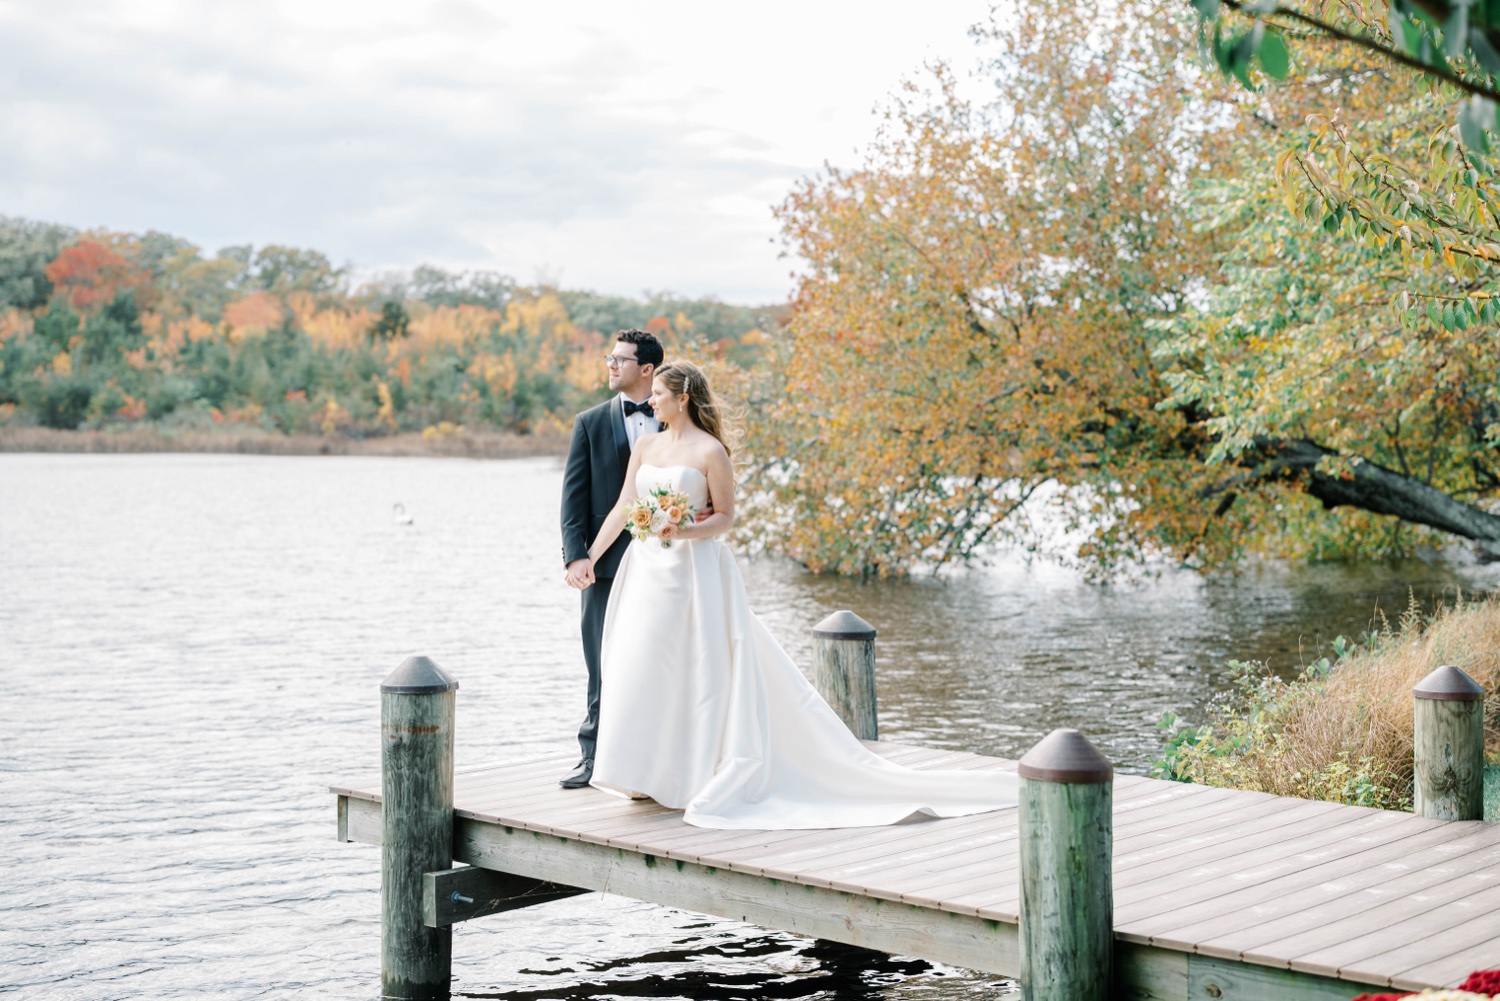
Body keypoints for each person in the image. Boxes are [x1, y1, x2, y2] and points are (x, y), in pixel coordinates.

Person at [575, 361, 1018, 829]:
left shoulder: (711, 452)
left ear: (682, 398)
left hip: (692, 572)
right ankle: (644, 773)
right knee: (641, 663)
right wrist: (587, 557)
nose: (651, 402)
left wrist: (682, 528)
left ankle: (694, 773)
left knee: (697, 666)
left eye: (659, 394)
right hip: (645, 570)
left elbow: (725, 518)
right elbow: (626, 506)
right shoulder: (645, 445)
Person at [557, 329, 664, 789]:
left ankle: (661, 758)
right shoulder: (589, 422)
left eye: (620, 360)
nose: (610, 365)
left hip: (665, 563)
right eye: (610, 358)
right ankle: (592, 757)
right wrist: (576, 557)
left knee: (662, 658)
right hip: (603, 566)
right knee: (600, 661)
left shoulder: (676, 419)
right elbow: (572, 500)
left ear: (647, 369)